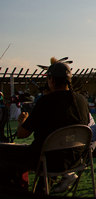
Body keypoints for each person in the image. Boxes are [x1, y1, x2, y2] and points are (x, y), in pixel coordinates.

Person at [0, 58, 90, 192]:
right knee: (49, 149)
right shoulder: (82, 100)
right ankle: (42, 188)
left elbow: (22, 134)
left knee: (3, 150)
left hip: (47, 160)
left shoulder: (45, 102)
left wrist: (22, 121)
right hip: (76, 159)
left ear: (51, 80)